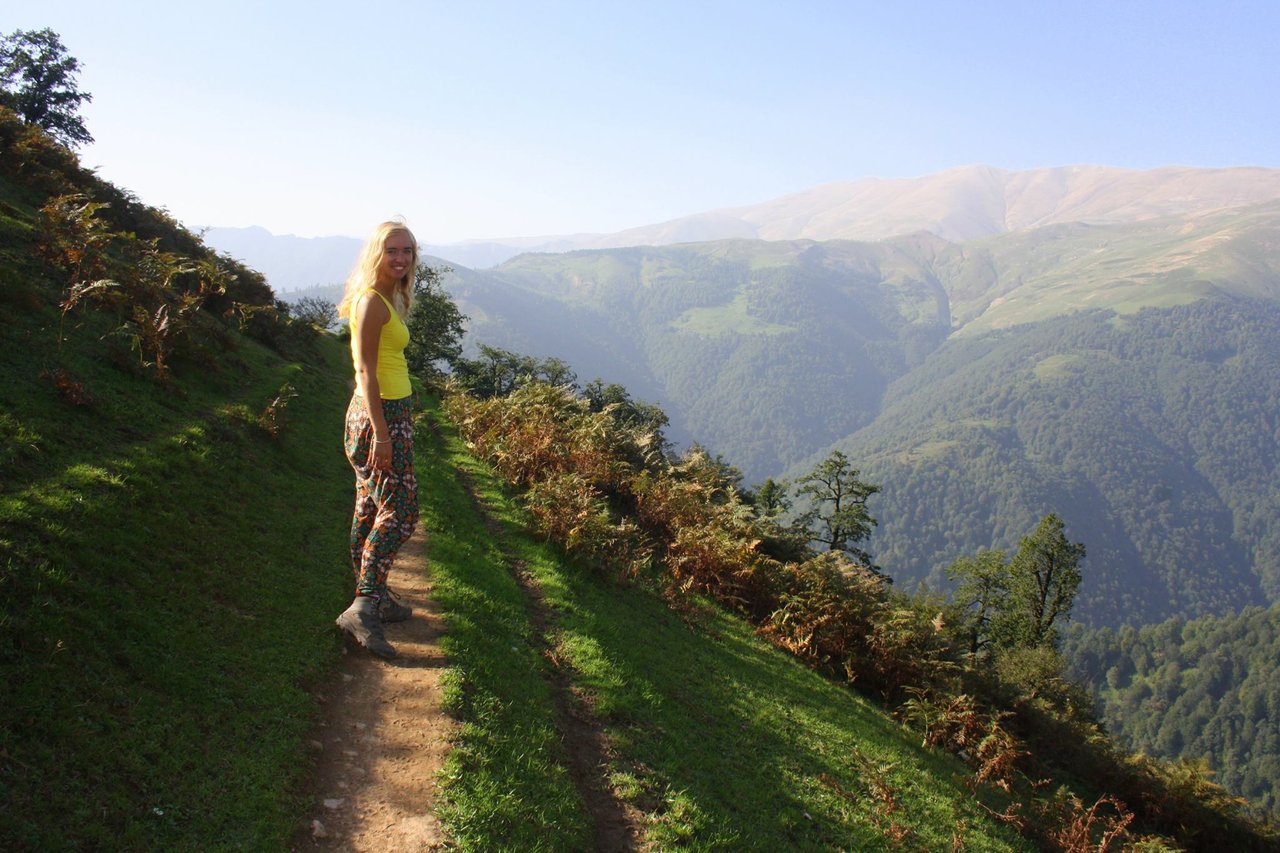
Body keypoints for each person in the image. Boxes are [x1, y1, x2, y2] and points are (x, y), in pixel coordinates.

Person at [333, 220, 421, 658]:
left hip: (391, 414)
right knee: (402, 511)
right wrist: (383, 435)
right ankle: (364, 606)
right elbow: (365, 371)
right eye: (392, 251)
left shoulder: (390, 296)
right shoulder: (372, 302)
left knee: (370, 508)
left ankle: (376, 598)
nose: (400, 258)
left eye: (406, 250)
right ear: (377, 254)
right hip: (378, 417)